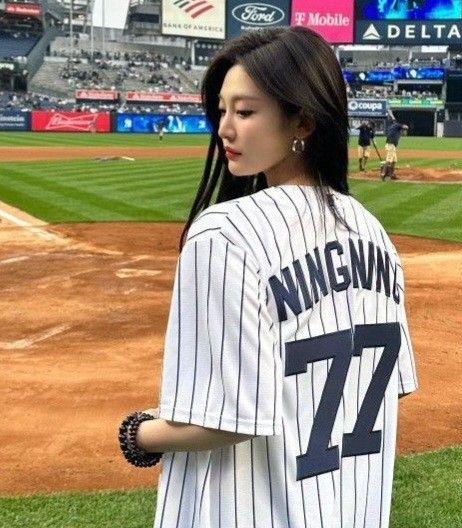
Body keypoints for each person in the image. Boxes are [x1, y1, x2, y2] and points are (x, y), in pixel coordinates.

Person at [119, 26, 418, 528]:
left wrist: (137, 434)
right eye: (222, 110)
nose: (225, 129)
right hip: (352, 510)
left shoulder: (224, 233)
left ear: (301, 118)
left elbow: (225, 421)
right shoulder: (373, 233)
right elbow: (391, 386)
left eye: (246, 111)